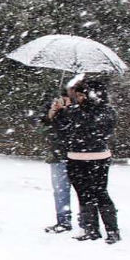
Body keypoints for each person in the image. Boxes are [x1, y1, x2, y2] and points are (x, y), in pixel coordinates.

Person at [65, 79, 120, 244]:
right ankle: (102, 230)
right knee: (92, 193)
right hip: (88, 158)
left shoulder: (82, 112)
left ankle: (102, 230)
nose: (79, 98)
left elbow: (81, 129)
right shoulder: (106, 111)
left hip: (87, 158)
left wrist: (68, 110)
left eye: (81, 95)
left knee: (92, 193)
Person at [41, 88, 73, 233]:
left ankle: (88, 221)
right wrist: (51, 115)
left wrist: (68, 111)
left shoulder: (81, 110)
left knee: (85, 192)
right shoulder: (52, 107)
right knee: (60, 190)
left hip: (80, 156)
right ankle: (63, 220)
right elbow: (43, 129)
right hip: (58, 155)